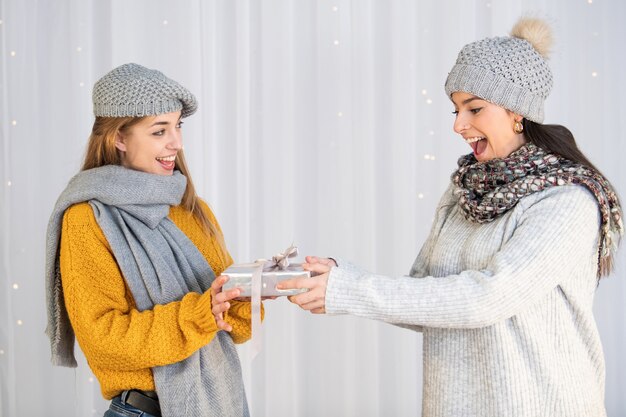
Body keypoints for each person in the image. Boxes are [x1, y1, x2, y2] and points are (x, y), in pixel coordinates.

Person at [279, 17, 623, 416]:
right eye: (456, 109)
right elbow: (428, 297)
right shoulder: (463, 191)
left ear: (517, 112)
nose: (459, 125)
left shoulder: (567, 199)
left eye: (474, 108)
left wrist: (350, 289)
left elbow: (487, 298)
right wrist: (343, 277)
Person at [45, 63, 252, 417]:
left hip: (220, 400)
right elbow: (103, 339)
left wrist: (253, 290)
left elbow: (233, 326)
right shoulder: (87, 219)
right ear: (119, 138)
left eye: (178, 126)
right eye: (159, 131)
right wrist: (199, 314)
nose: (177, 143)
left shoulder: (190, 207)